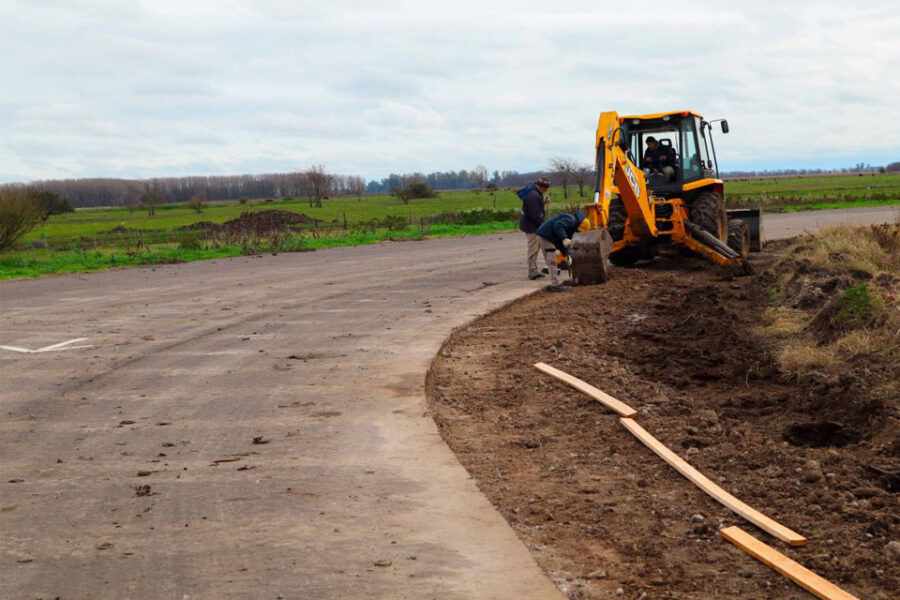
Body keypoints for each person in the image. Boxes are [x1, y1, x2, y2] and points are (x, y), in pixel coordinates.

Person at [535, 210, 591, 292]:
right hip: (546, 237)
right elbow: (558, 226)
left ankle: (555, 283)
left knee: (551, 262)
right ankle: (555, 285)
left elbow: (563, 244)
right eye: (579, 231)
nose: (578, 233)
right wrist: (564, 238)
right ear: (579, 226)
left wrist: (566, 255)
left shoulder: (572, 227)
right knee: (552, 261)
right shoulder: (570, 220)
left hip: (546, 237)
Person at [518, 176, 551, 280]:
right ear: (542, 186)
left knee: (536, 248)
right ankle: (532, 271)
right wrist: (543, 225)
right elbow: (535, 214)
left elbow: (536, 207)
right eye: (546, 188)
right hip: (531, 226)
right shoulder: (533, 195)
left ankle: (534, 270)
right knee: (533, 248)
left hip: (531, 224)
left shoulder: (535, 193)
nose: (547, 190)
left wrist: (543, 201)